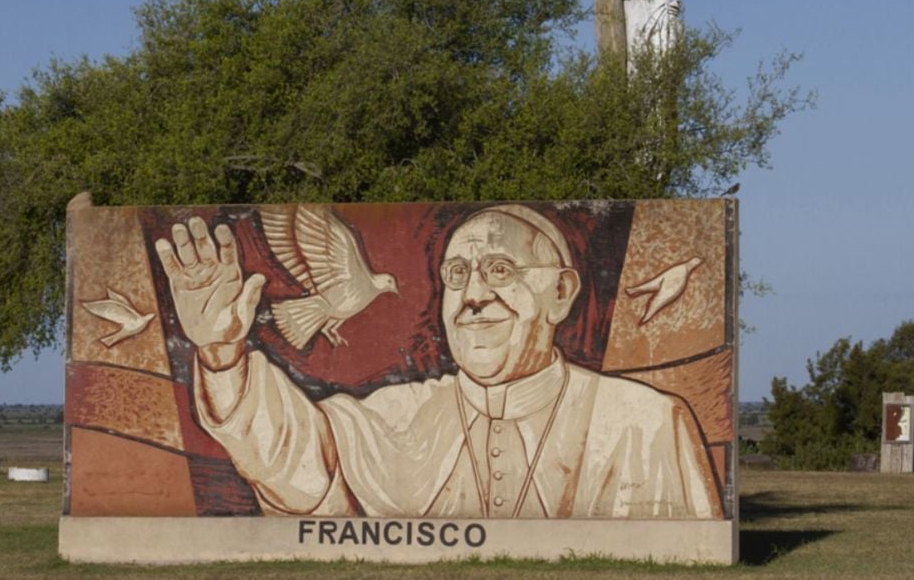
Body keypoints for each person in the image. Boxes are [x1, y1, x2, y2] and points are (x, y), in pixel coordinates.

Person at [155, 205, 722, 519]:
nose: (473, 296)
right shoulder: (401, 413)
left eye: (500, 270)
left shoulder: (646, 423)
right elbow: (297, 454)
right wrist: (222, 353)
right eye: (458, 276)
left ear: (561, 294)